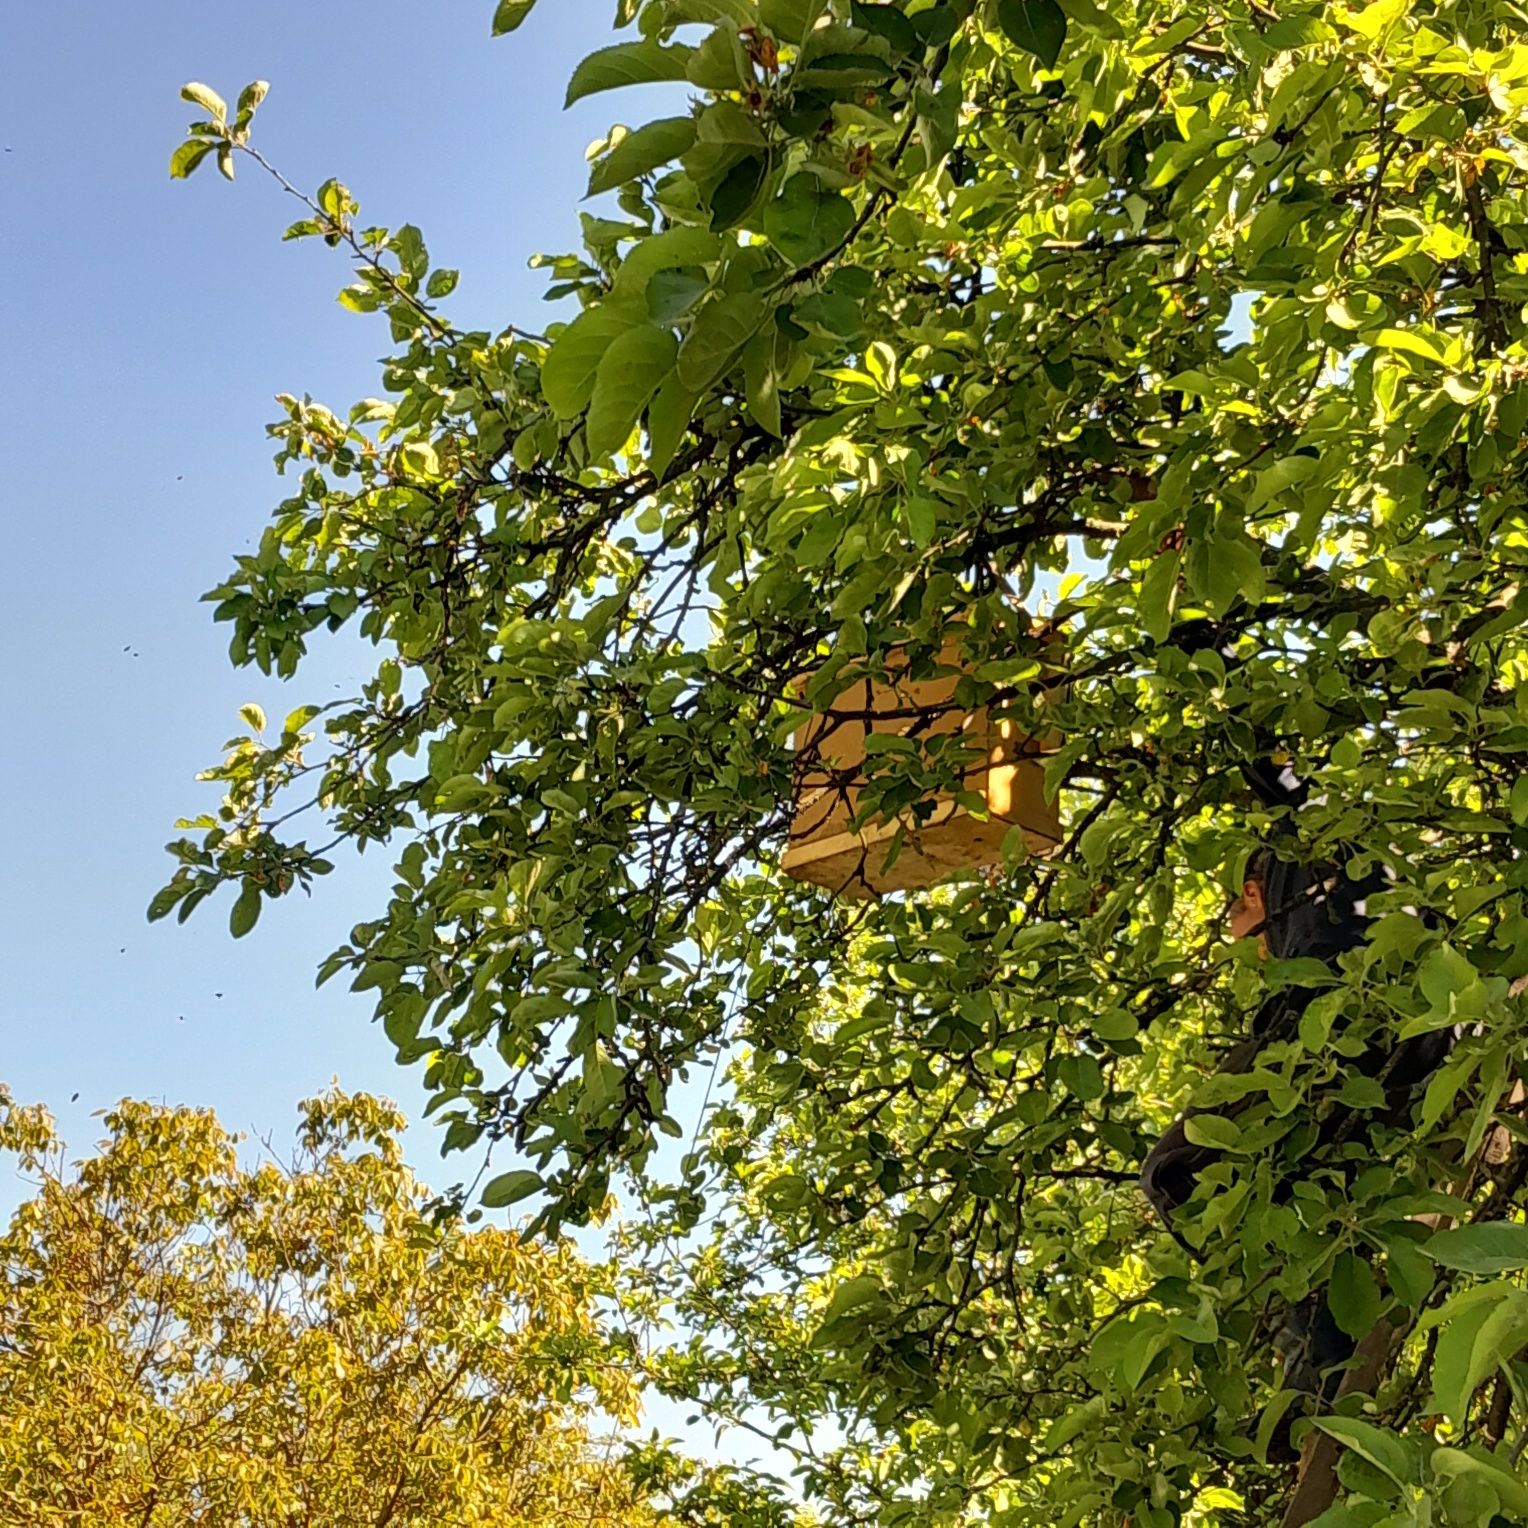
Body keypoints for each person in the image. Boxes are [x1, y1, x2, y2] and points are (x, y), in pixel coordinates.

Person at [1139, 806, 1452, 1398]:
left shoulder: (1294, 859)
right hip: (1404, 1052)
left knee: (1170, 1171)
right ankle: (1316, 1356)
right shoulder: (1374, 877)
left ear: (1254, 895)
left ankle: (1302, 1343)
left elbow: (1280, 782)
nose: (1261, 955)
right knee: (1305, 1185)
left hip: (1322, 1028)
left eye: (1253, 939)